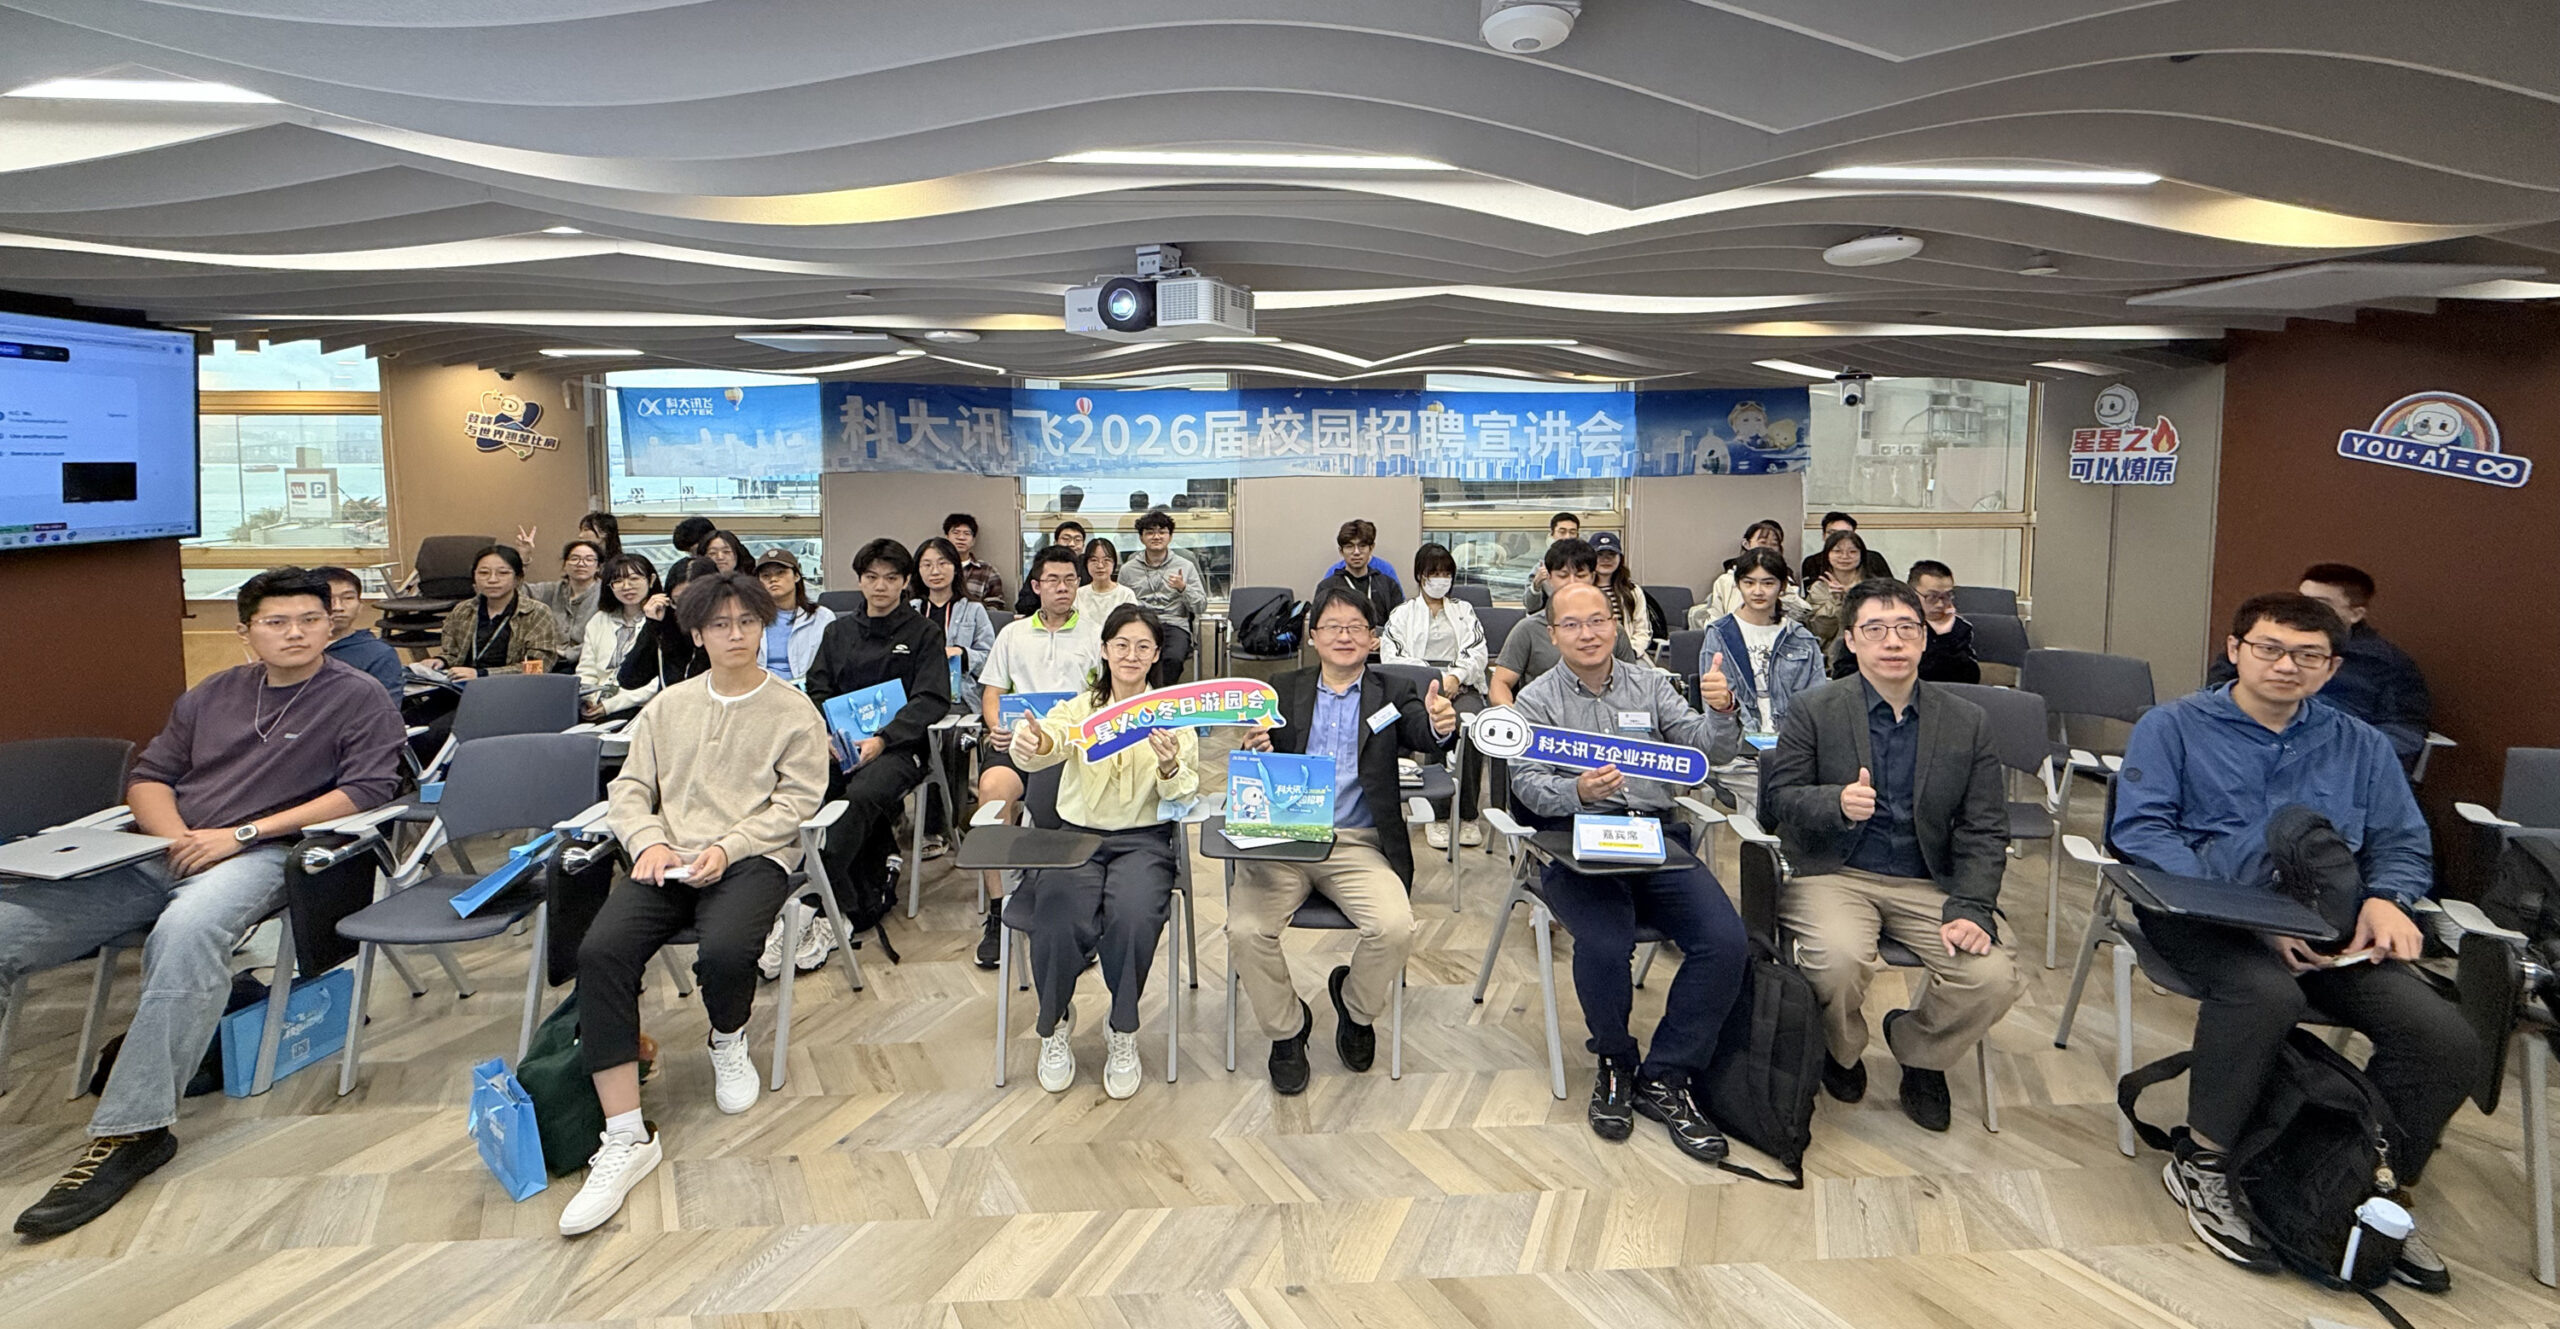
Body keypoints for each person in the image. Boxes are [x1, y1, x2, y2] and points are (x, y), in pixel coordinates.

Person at [6, 568, 404, 1238]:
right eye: (277, 622)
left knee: (187, 931)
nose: (297, 632)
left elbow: (366, 790)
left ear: (330, 623)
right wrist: (178, 839)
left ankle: (135, 1128)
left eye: (310, 618)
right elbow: (151, 778)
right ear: (245, 632)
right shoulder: (211, 695)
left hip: (263, 854)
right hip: (164, 848)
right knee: (8, 926)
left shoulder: (357, 696)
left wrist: (239, 834)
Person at [2111, 592, 2468, 1290]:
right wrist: (2252, 917)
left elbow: (2401, 839)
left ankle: (2367, 1179)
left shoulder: (2358, 743)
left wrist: (2387, 899)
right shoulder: (2174, 726)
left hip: (2329, 928)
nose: (2286, 665)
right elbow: (2144, 834)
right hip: (2203, 915)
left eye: (2308, 655)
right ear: (2236, 648)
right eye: (2270, 648)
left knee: (2443, 1037)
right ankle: (2204, 1159)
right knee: (2263, 991)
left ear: (2332, 666)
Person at [557, 570, 829, 1237]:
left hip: (750, 857)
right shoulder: (668, 706)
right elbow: (629, 790)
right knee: (601, 951)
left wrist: (730, 847)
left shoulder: (793, 708)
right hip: (666, 857)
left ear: (765, 627)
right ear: (698, 633)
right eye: (720, 624)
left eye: (747, 622)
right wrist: (648, 842)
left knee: (731, 948)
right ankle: (624, 1133)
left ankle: (727, 1036)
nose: (735, 635)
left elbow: (797, 802)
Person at [1759, 578, 2022, 1131]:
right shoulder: (1814, 709)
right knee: (1837, 960)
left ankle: (1919, 1051)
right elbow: (1778, 799)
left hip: (1929, 881)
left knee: (1992, 977)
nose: (1893, 642)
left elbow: (1983, 827)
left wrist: (1972, 907)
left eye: (1906, 628)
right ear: (1851, 641)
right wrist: (1836, 802)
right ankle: (1841, 1049)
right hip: (1835, 873)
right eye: (1875, 630)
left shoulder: (1966, 721)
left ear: (1925, 639)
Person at [1509, 584, 1749, 1164]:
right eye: (1572, 625)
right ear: (1553, 632)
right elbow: (1526, 783)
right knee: (1603, 942)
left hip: (1655, 837)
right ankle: (1615, 1059)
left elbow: (1705, 749)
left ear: (1615, 626)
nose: (1587, 634)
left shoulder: (1650, 685)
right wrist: (1576, 790)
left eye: (1598, 621)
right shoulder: (1537, 701)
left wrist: (1721, 712)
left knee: (1725, 941)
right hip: (1577, 844)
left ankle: (1667, 1074)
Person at [1231, 587, 1457, 1093]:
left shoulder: (1394, 691)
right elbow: (1253, 759)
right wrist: (1254, 744)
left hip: (1357, 842)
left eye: (1356, 627)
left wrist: (1442, 726)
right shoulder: (1282, 688)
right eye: (1332, 626)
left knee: (1395, 927)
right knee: (1246, 931)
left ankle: (1355, 1009)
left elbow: (1424, 733)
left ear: (1373, 639)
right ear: (1313, 638)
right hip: (1285, 841)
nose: (1344, 636)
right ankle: (1288, 1031)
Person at [1009, 604, 1201, 1100]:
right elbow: (1047, 744)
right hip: (1076, 838)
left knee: (1134, 916)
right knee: (1056, 914)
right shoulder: (1079, 707)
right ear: (1105, 650)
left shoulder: (1173, 713)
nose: (1131, 655)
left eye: (1143, 647)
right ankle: (1054, 1025)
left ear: (1156, 654)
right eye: (1122, 645)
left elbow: (1183, 794)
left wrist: (1167, 765)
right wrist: (1029, 741)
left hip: (1143, 841)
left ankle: (1123, 1028)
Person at [792, 539, 950, 973]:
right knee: (815, 789)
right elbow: (818, 688)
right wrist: (827, 732)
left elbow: (932, 698)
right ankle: (840, 901)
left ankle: (813, 903)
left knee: (861, 796)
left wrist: (883, 738)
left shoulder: (923, 633)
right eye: (871, 577)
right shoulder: (838, 632)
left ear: (904, 583)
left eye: (891, 578)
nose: (880, 586)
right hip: (840, 744)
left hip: (900, 748)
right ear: (860, 580)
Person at [2203, 563, 2432, 767]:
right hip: (2246, 749)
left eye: (2321, 604)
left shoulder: (2387, 664)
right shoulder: (2256, 644)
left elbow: (2404, 729)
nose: (2287, 666)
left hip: (2335, 766)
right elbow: (2217, 695)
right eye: (2303, 600)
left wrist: (2349, 751)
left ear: (2356, 614)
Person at [1381, 542, 1490, 848]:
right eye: (1435, 573)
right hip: (1420, 689)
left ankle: (1468, 814)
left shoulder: (1463, 611)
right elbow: (1393, 656)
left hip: (1462, 684)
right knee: (1435, 726)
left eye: (1446, 574)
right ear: (1420, 576)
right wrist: (1434, 678)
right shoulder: (1403, 614)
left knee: (1470, 726)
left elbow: (1477, 651)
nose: (1441, 579)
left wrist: (1456, 675)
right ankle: (1437, 815)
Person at [1490, 538, 1636, 706]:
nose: (1572, 583)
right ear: (1550, 578)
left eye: (1580, 575)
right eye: (1563, 576)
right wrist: (1519, 718)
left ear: (1593, 577)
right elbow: (1500, 684)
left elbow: (1631, 681)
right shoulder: (1528, 629)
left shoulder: (1611, 629)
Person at [1700, 548, 1823, 737]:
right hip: (1737, 746)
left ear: (1782, 587)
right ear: (1738, 585)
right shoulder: (1719, 634)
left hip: (1793, 743)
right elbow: (1716, 705)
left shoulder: (1801, 638)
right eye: (1749, 583)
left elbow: (1816, 700)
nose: (1758, 591)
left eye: (1768, 583)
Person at [422, 543, 567, 679]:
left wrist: (483, 674)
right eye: (484, 573)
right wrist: (440, 661)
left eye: (502, 573)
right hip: (461, 684)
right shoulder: (463, 610)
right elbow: (453, 655)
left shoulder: (537, 613)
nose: (492, 580)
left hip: (513, 690)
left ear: (518, 579)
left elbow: (538, 667)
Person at [1122, 509, 1207, 687]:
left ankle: (1160, 698)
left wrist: (1183, 588)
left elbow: (1200, 606)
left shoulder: (1186, 565)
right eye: (1150, 532)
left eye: (1162, 532)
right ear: (1141, 537)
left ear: (1170, 536)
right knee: (1135, 658)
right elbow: (1122, 605)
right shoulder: (1128, 569)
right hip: (1142, 624)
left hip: (1174, 624)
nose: (1156, 536)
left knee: (1173, 659)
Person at [912, 536, 996, 711]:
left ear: (956, 568)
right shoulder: (911, 611)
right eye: (927, 565)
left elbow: (991, 661)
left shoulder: (974, 610)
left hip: (961, 700)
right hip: (916, 698)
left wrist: (963, 654)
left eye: (943, 563)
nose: (935, 571)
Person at [579, 554, 662, 718]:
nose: (626, 586)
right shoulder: (599, 620)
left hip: (641, 707)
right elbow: (586, 669)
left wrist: (610, 706)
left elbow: (659, 681)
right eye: (617, 581)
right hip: (597, 703)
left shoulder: (661, 620)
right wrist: (586, 700)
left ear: (651, 580)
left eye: (634, 578)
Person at [618, 556, 714, 695]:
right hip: (674, 709)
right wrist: (653, 626)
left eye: (697, 600)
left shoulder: (727, 628)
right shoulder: (667, 624)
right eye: (678, 601)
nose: (688, 610)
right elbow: (629, 680)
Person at [313, 564, 405, 697]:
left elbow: (385, 712)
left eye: (348, 598)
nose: (338, 607)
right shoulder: (293, 647)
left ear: (360, 605)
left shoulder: (378, 654)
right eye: (328, 599)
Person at [753, 547, 834, 683]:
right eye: (766, 576)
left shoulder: (822, 617)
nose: (773, 579)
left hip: (807, 689)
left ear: (796, 576)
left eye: (781, 573)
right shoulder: (751, 618)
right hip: (762, 689)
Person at [524, 537, 607, 665]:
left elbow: (602, 640)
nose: (581, 564)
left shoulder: (606, 594)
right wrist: (524, 559)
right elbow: (516, 592)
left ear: (598, 567)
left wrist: (567, 654)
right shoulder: (551, 590)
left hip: (588, 662)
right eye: (574, 558)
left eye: (589, 559)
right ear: (564, 565)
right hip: (548, 662)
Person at [1697, 519, 1790, 626]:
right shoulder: (1726, 580)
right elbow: (1715, 617)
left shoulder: (1783, 578)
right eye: (1763, 542)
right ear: (1746, 544)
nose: (1768, 548)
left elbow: (1802, 611)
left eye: (1774, 544)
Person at [1907, 560, 1981, 685]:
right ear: (1911, 594)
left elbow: (1970, 676)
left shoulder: (1959, 628)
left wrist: (1943, 636)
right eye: (1932, 597)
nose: (1940, 604)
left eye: (1947, 596)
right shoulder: (1897, 626)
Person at [1588, 532, 1660, 654]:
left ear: (1620, 558)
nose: (1606, 559)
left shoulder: (1632, 591)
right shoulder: (1581, 590)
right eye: (1600, 555)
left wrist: (1631, 651)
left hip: (1628, 652)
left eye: (1612, 554)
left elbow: (1642, 630)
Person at [1801, 529, 1871, 653]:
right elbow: (1821, 631)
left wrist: (1851, 595)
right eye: (1837, 551)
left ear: (1862, 555)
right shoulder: (1819, 588)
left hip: (1868, 651)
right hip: (1831, 657)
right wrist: (1835, 600)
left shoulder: (1871, 586)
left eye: (1852, 551)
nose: (1845, 556)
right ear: (1827, 555)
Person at [1014, 520, 1092, 614]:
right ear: (1055, 542)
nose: (1072, 544)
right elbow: (1024, 604)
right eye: (1066, 539)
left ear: (1083, 545)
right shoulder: (1044, 566)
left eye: (1077, 540)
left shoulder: (1089, 568)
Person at [1321, 519, 1404, 603]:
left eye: (1362, 546)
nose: (1356, 552)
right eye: (1350, 546)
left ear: (1371, 548)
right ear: (1341, 551)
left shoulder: (1388, 583)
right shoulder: (1327, 585)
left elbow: (1399, 612)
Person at [1800, 511, 1892, 585]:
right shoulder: (1812, 562)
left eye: (1852, 552)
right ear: (1823, 535)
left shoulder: (1874, 558)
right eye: (1832, 533)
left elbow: (1890, 589)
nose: (1840, 537)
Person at [942, 512, 1007, 612]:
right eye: (956, 533)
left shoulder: (987, 571)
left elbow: (996, 605)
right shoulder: (935, 568)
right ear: (946, 537)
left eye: (967, 534)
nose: (961, 537)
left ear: (973, 541)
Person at [1521, 511, 1581, 612]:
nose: (1567, 537)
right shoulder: (1540, 568)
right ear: (1552, 535)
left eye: (1572, 532)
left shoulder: (1587, 564)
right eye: (1562, 532)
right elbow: (1531, 607)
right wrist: (1536, 585)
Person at [1075, 536, 1139, 622]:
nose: (1100, 566)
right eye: (1094, 560)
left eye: (1106, 560)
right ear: (1086, 563)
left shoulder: (1126, 594)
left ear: (1114, 563)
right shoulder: (1078, 594)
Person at [516, 511, 623, 562]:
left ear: (604, 532)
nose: (580, 536)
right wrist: (525, 555)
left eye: (586, 530)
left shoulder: (618, 564)